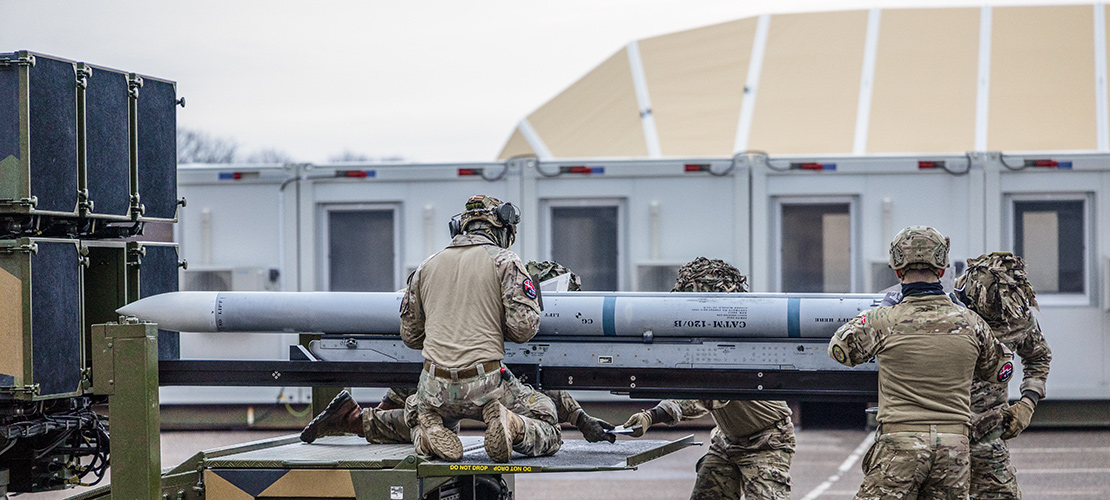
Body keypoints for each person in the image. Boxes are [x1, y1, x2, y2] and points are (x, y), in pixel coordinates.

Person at [300, 261, 615, 447]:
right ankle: (354, 420)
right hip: (441, 376)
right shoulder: (510, 312)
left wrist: (580, 418)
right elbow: (532, 386)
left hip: (428, 363)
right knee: (439, 426)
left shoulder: (498, 287)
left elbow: (533, 383)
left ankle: (355, 418)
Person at [829, 226, 1014, 499]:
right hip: (954, 449)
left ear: (896, 270)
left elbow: (839, 350)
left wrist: (880, 310)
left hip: (899, 447)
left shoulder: (884, 320)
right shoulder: (972, 324)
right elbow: (1000, 371)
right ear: (941, 270)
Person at [400, 194, 560, 463]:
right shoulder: (505, 261)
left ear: (460, 227)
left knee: (414, 411)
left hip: (434, 384)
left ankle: (428, 433)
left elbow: (410, 335)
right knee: (548, 418)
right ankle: (510, 423)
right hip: (485, 383)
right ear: (502, 228)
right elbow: (523, 329)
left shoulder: (425, 267)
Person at [621, 257, 795, 500]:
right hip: (727, 440)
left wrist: (653, 415)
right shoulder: (700, 340)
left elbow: (708, 395)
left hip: (767, 442)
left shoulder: (740, 341)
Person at [955, 252, 1051, 499]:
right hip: (944, 425)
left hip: (988, 429)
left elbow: (1038, 356)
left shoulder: (1016, 318)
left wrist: (1027, 403)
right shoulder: (948, 308)